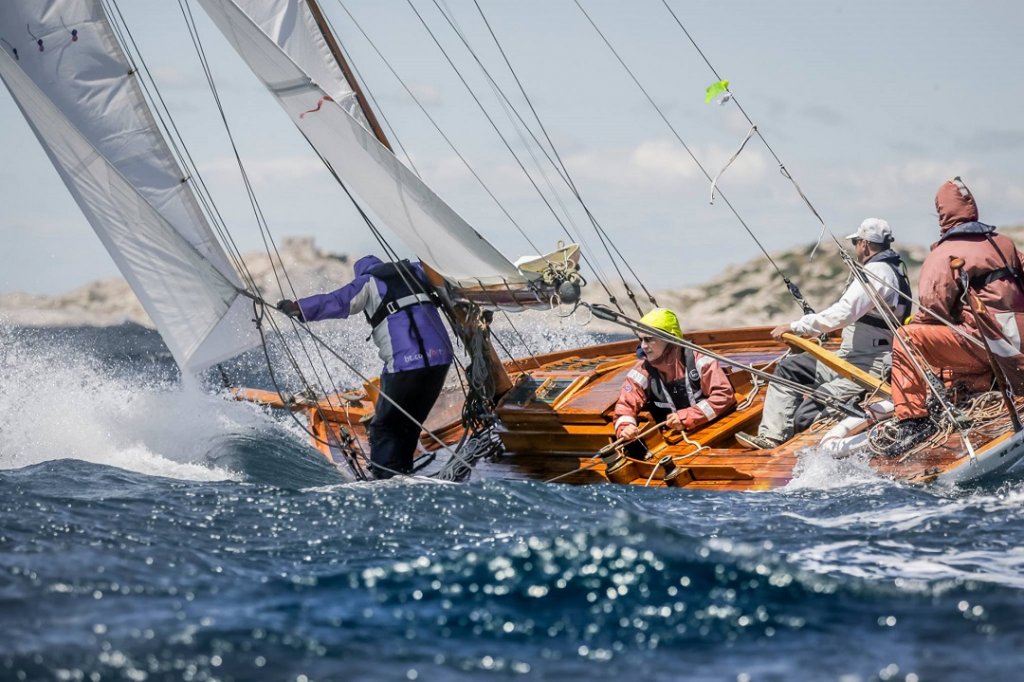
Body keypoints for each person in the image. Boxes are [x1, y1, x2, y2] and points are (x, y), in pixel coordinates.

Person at [736, 218, 912, 450]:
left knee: (805, 416)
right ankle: (772, 437)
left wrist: (797, 326)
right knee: (790, 369)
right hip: (850, 357)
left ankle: (835, 438)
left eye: (856, 243)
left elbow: (844, 313)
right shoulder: (891, 269)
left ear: (865, 245)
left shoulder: (877, 272)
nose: (856, 249)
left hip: (869, 365)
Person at [276, 255, 454, 478]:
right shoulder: (417, 270)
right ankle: (403, 471)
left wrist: (298, 307)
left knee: (383, 428)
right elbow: (449, 281)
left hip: (405, 362)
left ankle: (384, 481)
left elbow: (339, 301)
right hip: (442, 358)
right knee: (410, 422)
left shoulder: (368, 281)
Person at [887, 177, 1024, 451]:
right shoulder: (1005, 244)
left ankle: (913, 422)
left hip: (986, 343)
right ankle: (980, 390)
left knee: (907, 338)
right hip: (1016, 341)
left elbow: (931, 310)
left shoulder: (945, 254)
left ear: (942, 214)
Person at [613, 308, 736, 452]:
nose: (643, 346)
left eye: (649, 339)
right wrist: (625, 426)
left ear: (670, 339)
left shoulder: (700, 361)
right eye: (641, 340)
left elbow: (723, 395)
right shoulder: (641, 372)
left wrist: (686, 417)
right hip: (673, 445)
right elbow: (625, 406)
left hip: (715, 433)